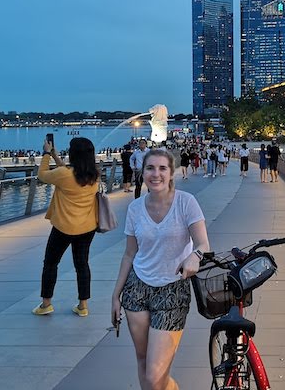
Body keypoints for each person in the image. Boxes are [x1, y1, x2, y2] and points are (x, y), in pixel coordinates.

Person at [111, 149, 209, 390]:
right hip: (137, 289)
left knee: (156, 375)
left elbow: (203, 244)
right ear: (142, 172)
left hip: (172, 290)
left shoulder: (186, 202)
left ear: (171, 172)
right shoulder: (135, 209)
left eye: (162, 168)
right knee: (144, 363)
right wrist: (116, 295)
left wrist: (195, 256)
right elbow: (129, 254)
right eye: (150, 168)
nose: (156, 174)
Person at [32, 137, 100, 317]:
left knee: (51, 263)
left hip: (63, 227)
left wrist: (46, 153)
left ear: (73, 154)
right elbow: (68, 171)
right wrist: (55, 156)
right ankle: (83, 305)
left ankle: (46, 304)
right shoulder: (94, 174)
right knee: (82, 264)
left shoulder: (64, 175)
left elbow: (43, 175)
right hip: (87, 227)